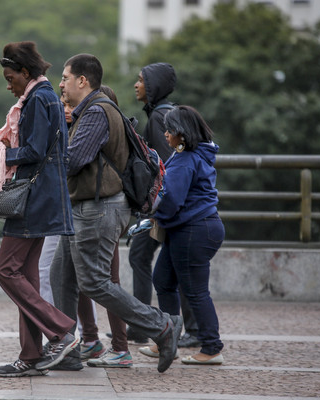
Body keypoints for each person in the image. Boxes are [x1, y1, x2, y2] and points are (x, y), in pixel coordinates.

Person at [50, 53, 182, 374]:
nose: (62, 84)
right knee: (62, 276)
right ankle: (66, 346)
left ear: (83, 81)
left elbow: (72, 160)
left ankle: (161, 326)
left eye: (66, 78)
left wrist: (43, 145)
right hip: (88, 206)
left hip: (100, 208)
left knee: (95, 282)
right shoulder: (90, 111)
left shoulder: (96, 112)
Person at [0, 41, 78, 378]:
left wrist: (1, 153)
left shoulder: (38, 98)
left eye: (11, 79)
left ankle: (61, 331)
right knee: (28, 277)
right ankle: (32, 355)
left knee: (5, 271)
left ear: (26, 72)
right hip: (43, 196)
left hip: (33, 199)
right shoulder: (45, 96)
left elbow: (35, 150)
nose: (9, 86)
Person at [127, 62, 201, 348]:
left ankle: (145, 326)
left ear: (154, 85)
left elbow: (164, 165)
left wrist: (155, 207)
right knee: (172, 265)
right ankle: (154, 326)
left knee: (143, 257)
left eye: (141, 80)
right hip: (171, 205)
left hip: (165, 207)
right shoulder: (167, 112)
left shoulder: (160, 117)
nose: (136, 84)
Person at [149, 105, 225, 365]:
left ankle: (212, 348)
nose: (166, 135)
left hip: (194, 230)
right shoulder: (194, 154)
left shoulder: (185, 159)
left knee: (195, 291)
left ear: (182, 133)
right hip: (192, 229)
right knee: (163, 280)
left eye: (170, 130)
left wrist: (150, 210)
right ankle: (167, 340)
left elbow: (170, 202)